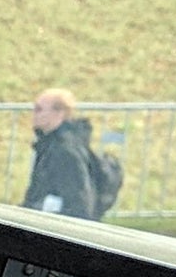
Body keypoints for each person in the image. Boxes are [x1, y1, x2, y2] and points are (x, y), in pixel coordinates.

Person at [22, 87, 121, 219]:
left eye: (39, 109)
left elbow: (79, 204)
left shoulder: (66, 151)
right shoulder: (48, 144)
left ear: (60, 113)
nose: (33, 114)